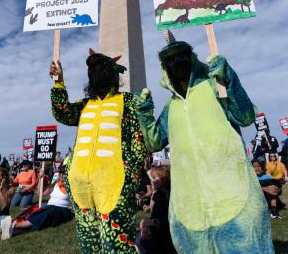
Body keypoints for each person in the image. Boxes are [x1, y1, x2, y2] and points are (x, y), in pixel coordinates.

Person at [137, 41, 273, 253]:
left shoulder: (214, 87)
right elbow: (154, 143)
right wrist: (144, 113)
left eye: (181, 56)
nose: (176, 63)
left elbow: (245, 116)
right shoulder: (170, 107)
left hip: (232, 198)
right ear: (164, 68)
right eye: (170, 60)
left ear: (192, 58)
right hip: (191, 209)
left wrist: (230, 80)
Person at [49, 49, 146, 253]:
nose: (95, 72)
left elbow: (137, 139)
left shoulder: (128, 102)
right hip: (80, 185)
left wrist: (133, 174)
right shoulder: (84, 105)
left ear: (112, 74)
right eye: (91, 69)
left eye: (100, 68)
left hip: (115, 184)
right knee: (89, 245)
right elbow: (63, 113)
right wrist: (59, 82)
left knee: (116, 245)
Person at [0, 166, 74, 240]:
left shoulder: (72, 186)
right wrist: (40, 179)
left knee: (49, 212)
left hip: (63, 210)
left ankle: (15, 225)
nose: (61, 176)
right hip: (49, 207)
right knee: (37, 211)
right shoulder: (55, 184)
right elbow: (41, 193)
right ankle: (12, 227)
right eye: (60, 173)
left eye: (64, 174)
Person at [135, 166, 176, 254]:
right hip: (156, 234)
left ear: (164, 179)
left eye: (155, 178)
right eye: (152, 178)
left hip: (166, 239)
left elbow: (171, 219)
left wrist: (151, 222)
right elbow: (154, 212)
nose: (152, 181)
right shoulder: (158, 194)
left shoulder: (171, 196)